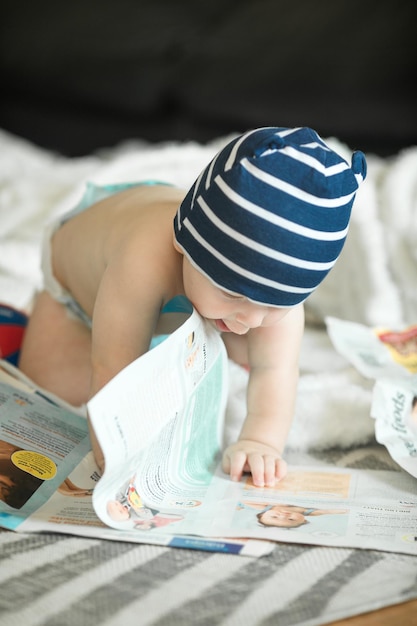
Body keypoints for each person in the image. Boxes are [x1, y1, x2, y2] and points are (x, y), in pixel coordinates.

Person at [18, 127, 366, 488]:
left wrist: (260, 441)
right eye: (234, 294)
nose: (252, 317)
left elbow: (277, 369)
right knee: (59, 398)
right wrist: (115, 457)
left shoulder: (269, 296)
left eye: (277, 304)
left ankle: (205, 321)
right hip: (77, 295)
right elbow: (112, 366)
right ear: (183, 244)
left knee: (268, 343)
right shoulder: (142, 261)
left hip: (192, 280)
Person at [238, 501, 349, 528]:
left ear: (261, 514)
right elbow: (328, 511)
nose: (284, 516)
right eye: (291, 520)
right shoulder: (308, 512)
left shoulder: (261, 506)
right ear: (304, 520)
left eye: (274, 516)